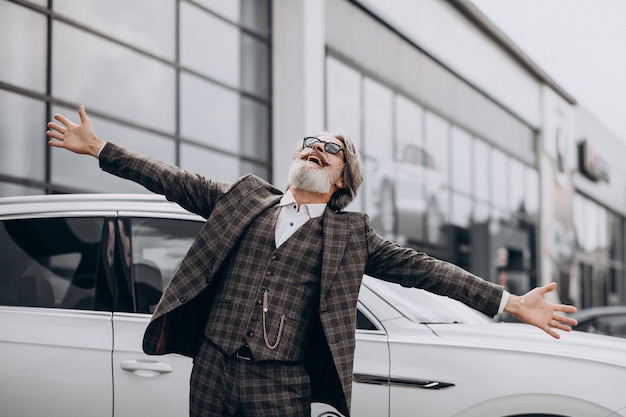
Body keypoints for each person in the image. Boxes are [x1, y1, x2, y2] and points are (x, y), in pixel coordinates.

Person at [47, 106, 577, 417]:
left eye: (331, 148)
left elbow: (429, 270)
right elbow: (170, 178)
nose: (315, 148)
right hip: (211, 369)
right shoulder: (242, 198)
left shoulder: (352, 236)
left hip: (282, 386)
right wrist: (99, 149)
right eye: (309, 143)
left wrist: (508, 302)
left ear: (343, 178)